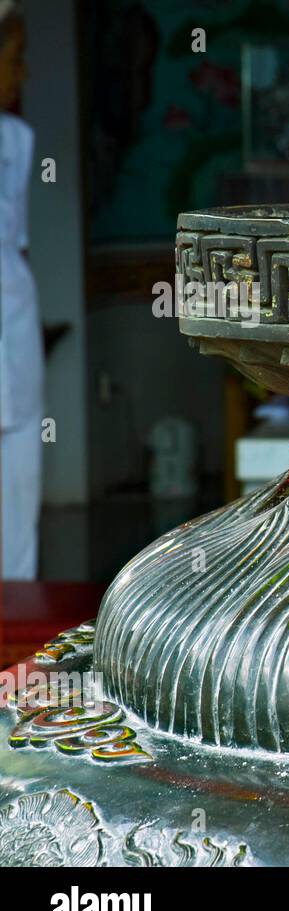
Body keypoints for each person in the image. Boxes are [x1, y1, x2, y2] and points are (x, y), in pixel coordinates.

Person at [0, 0, 42, 580]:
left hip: (14, 322)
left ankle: (16, 645)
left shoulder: (18, 140)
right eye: (13, 57)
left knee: (20, 473)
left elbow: (20, 242)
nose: (23, 72)